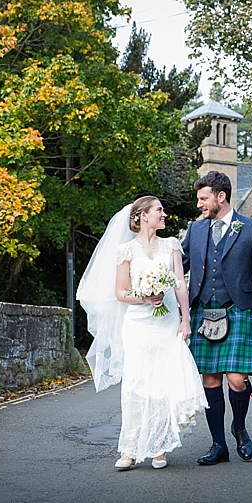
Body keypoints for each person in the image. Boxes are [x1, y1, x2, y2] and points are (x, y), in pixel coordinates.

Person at [77, 196, 207, 471]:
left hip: (167, 323)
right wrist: (146, 297)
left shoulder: (171, 245)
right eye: (159, 210)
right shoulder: (126, 251)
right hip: (138, 324)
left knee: (161, 385)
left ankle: (159, 447)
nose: (164, 214)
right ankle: (130, 448)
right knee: (136, 383)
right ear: (143, 216)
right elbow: (120, 292)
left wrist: (185, 320)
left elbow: (181, 284)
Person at [181, 171, 252, 465]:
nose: (199, 204)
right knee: (210, 379)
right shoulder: (195, 231)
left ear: (220, 197)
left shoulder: (250, 227)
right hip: (202, 311)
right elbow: (176, 264)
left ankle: (239, 427)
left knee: (236, 379)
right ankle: (218, 445)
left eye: (203, 198)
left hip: (239, 308)